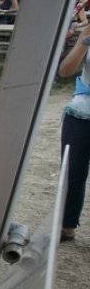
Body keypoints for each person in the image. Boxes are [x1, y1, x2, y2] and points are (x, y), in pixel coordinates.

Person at [57, 22, 90, 242]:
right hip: (81, 110)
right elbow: (65, 71)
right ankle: (67, 225)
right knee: (72, 171)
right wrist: (84, 40)